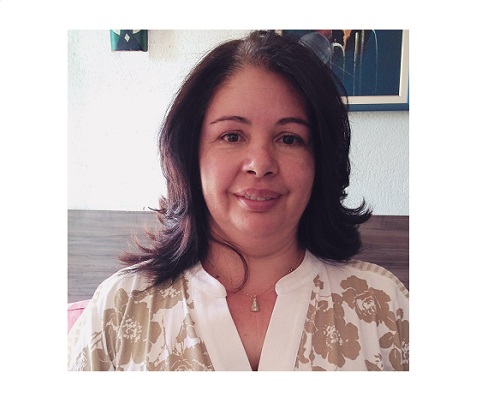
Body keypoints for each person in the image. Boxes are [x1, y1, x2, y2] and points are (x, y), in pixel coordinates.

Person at [68, 30, 409, 371]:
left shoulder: (385, 308)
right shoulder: (118, 311)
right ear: (191, 154)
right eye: (232, 136)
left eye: (289, 139)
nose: (260, 164)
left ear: (320, 160)